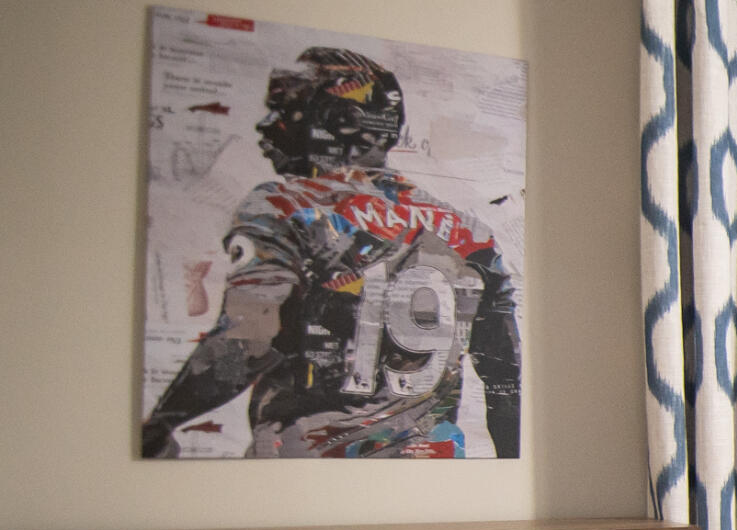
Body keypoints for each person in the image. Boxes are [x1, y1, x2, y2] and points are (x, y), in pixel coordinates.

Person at [141, 46, 521, 459]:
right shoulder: (471, 234)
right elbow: (505, 379)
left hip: (307, 472)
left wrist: (160, 423)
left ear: (339, 122)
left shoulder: (289, 205)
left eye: (287, 108)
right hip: (431, 476)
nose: (267, 125)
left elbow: (249, 338)